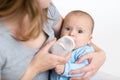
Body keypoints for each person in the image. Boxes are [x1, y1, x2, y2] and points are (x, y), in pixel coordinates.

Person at [0, 0, 106, 80]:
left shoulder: (46, 8)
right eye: (68, 29)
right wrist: (35, 67)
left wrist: (100, 53)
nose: (72, 33)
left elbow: (73, 35)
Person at [50, 10, 95, 80]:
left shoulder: (85, 51)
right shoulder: (60, 45)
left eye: (79, 31)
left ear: (89, 39)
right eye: (68, 29)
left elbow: (84, 68)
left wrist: (65, 69)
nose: (71, 33)